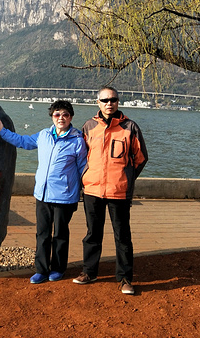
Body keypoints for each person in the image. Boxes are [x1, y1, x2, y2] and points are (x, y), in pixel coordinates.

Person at [0, 100, 87, 284]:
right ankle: (41, 270)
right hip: (42, 195)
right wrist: (2, 131)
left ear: (71, 117)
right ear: (52, 116)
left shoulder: (78, 140)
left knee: (60, 234)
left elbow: (83, 168)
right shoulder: (44, 135)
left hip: (65, 197)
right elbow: (23, 141)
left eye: (65, 114)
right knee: (42, 233)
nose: (61, 118)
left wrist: (84, 192)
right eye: (57, 114)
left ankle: (58, 268)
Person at [73, 86, 148, 295]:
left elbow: (140, 158)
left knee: (122, 236)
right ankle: (89, 271)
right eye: (105, 100)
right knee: (92, 234)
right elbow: (81, 156)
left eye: (113, 100)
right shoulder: (88, 126)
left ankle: (124, 278)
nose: (109, 104)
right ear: (98, 103)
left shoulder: (130, 127)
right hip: (92, 190)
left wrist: (126, 177)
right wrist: (85, 178)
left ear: (118, 102)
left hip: (119, 191)